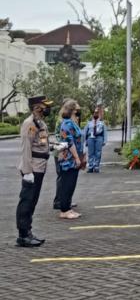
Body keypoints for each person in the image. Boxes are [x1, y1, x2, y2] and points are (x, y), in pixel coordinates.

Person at [16, 96, 52, 247]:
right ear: (37, 107)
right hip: (33, 168)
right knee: (27, 201)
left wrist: (55, 146)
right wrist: (27, 171)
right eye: (45, 106)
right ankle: (23, 235)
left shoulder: (40, 122)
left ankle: (28, 232)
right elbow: (26, 148)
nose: (47, 109)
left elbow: (41, 143)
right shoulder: (29, 124)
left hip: (40, 166)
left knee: (33, 201)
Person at [57, 98, 85, 219]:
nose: (79, 108)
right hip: (69, 159)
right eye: (77, 106)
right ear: (73, 109)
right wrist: (77, 158)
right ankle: (64, 210)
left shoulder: (73, 122)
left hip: (74, 158)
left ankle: (68, 208)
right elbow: (69, 142)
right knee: (67, 184)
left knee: (71, 184)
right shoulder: (66, 123)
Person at [84, 105, 107, 173]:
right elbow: (85, 132)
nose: (95, 114)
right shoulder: (89, 123)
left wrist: (104, 141)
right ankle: (90, 167)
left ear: (98, 114)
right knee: (91, 153)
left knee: (98, 153)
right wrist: (85, 141)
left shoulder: (102, 123)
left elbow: (105, 132)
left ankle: (96, 166)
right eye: (94, 113)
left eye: (97, 113)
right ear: (93, 114)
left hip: (99, 138)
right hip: (90, 138)